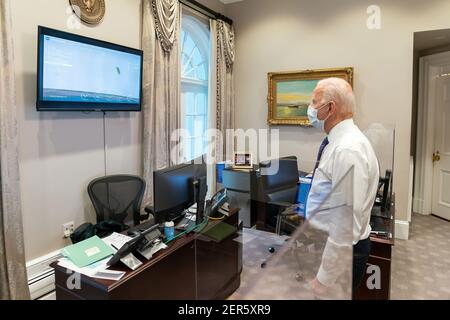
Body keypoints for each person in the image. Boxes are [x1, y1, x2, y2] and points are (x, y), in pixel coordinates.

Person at [305, 78, 379, 299]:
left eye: (314, 102)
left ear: (331, 108)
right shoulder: (338, 142)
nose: (310, 109)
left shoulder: (348, 149)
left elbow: (344, 223)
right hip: (330, 247)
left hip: (342, 254)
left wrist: (324, 278)